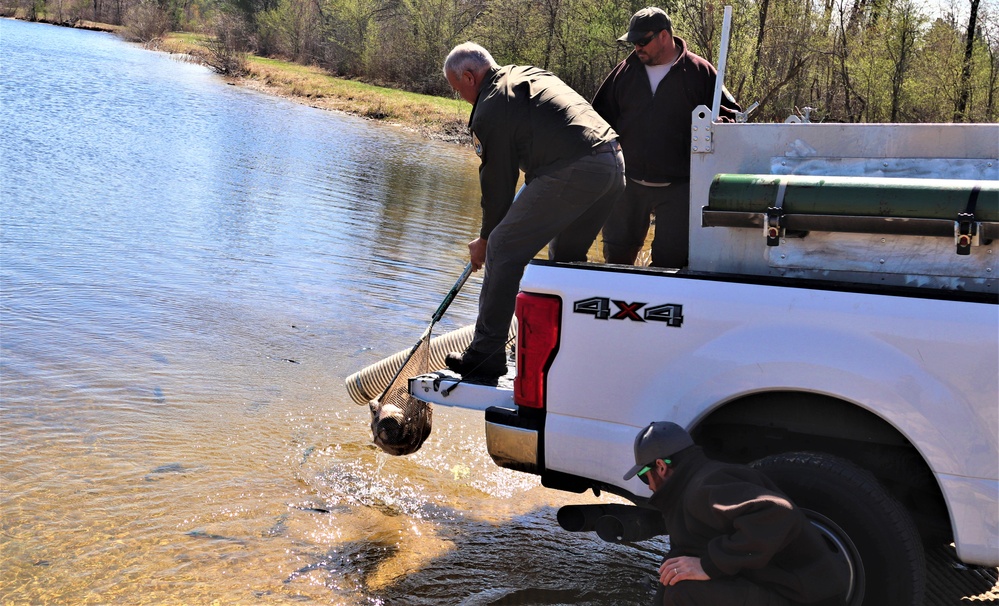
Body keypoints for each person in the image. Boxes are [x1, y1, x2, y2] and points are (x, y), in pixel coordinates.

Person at [441, 42, 626, 383]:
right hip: (612, 163)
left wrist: (485, 238)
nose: (463, 98)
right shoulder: (526, 74)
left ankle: (486, 356)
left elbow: (497, 186)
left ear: (469, 77)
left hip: (577, 168)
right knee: (566, 259)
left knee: (504, 248)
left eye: (458, 91)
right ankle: (568, 351)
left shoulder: (491, 106)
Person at [624, 422, 849, 606]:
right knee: (677, 575)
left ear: (661, 467)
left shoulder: (705, 485)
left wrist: (709, 565)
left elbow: (778, 512)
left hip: (807, 598)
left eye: (644, 475)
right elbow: (680, 558)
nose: (647, 485)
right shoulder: (685, 492)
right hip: (783, 590)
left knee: (684, 594)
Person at [593, 7, 740, 268]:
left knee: (671, 262)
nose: (637, 48)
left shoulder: (700, 72)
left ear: (664, 36)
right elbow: (597, 120)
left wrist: (721, 125)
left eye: (642, 41)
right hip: (628, 185)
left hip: (680, 188)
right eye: (633, 42)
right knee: (616, 259)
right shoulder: (623, 73)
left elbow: (733, 116)